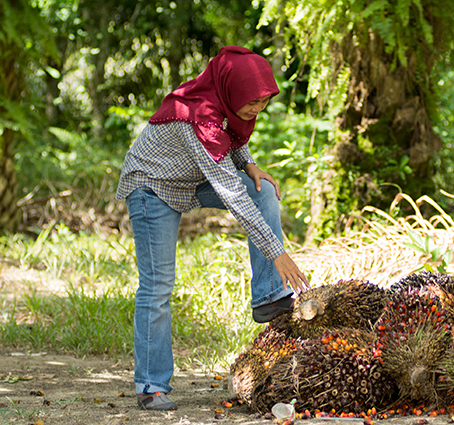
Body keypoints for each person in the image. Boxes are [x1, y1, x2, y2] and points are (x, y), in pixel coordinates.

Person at [115, 45, 310, 411]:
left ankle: (269, 297)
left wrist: (249, 163)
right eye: (251, 102)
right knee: (158, 286)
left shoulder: (222, 103)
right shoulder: (197, 115)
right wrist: (278, 252)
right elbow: (232, 194)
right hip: (152, 185)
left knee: (262, 189)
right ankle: (150, 386)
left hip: (188, 178)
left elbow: (231, 139)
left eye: (263, 103)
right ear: (229, 89)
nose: (257, 110)